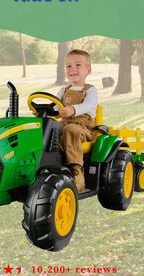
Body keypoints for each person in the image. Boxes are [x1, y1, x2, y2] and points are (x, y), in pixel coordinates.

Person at [57, 49, 98, 192]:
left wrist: (73, 110)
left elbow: (88, 105)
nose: (72, 69)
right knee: (46, 129)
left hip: (83, 128)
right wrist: (44, 109)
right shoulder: (63, 90)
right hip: (64, 125)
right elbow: (55, 105)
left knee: (70, 130)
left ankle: (76, 172)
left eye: (78, 65)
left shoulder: (90, 90)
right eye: (69, 66)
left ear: (88, 70)